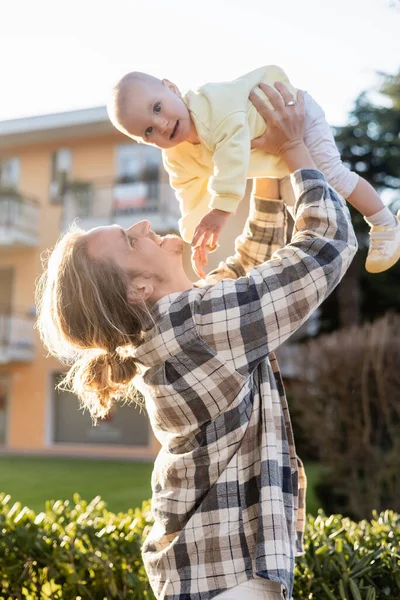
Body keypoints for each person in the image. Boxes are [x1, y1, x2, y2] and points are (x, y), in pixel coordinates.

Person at [36, 83, 357, 600]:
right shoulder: (199, 325)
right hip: (228, 579)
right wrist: (296, 150)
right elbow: (327, 246)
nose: (142, 225)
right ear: (139, 289)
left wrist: (264, 168)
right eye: (127, 239)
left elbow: (253, 267)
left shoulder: (180, 325)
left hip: (207, 571)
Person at [108, 66, 399, 277]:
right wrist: (197, 236)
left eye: (157, 107)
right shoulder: (177, 156)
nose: (160, 125)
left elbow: (232, 152)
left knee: (331, 175)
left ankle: (385, 224)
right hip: (275, 154)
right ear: (142, 141)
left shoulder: (210, 105)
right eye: (148, 131)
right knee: (298, 204)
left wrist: (220, 212)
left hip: (295, 113)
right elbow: (189, 193)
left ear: (171, 88)